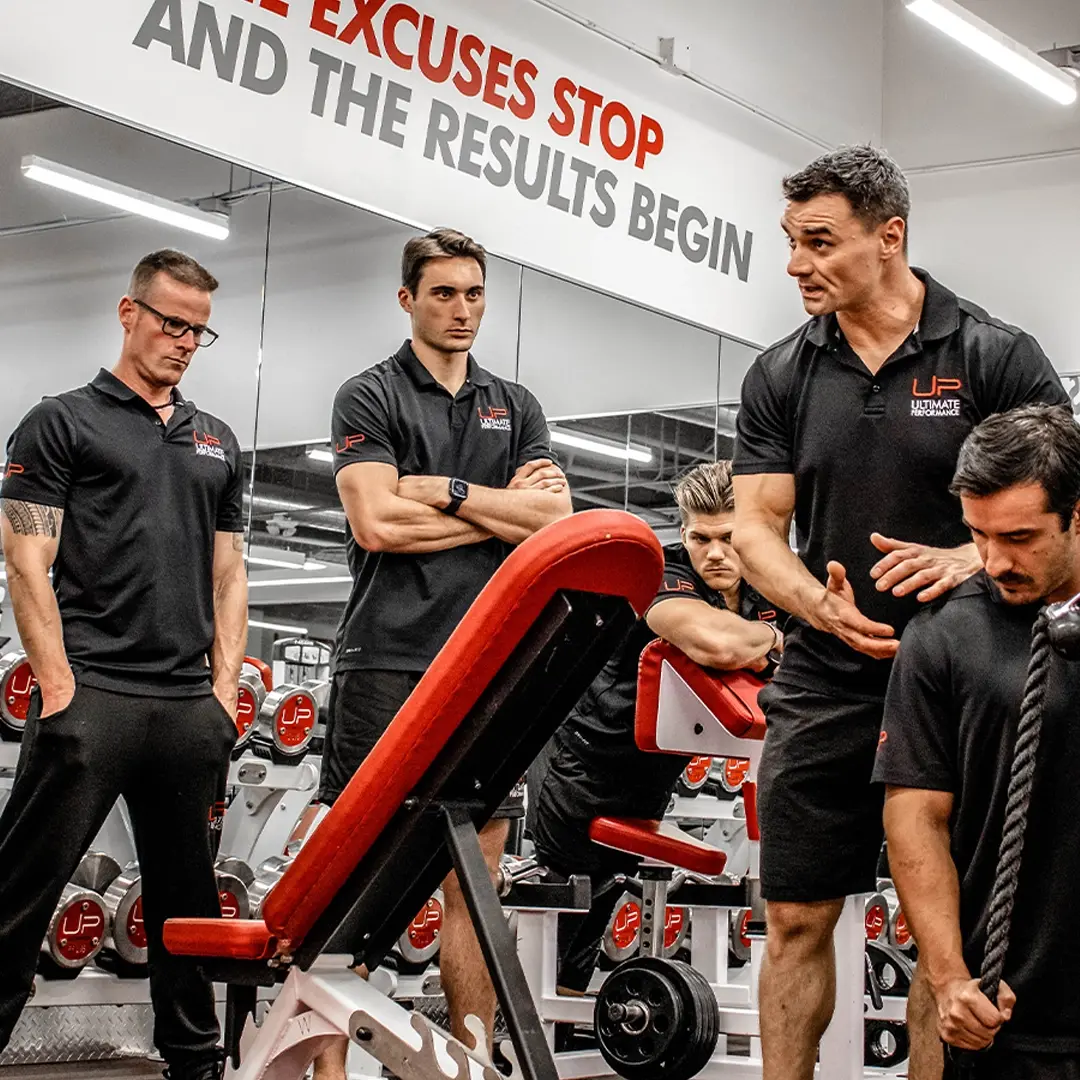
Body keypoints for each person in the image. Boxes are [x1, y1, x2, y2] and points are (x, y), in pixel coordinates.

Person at [730, 144, 1069, 1080]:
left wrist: (967, 557)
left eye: (819, 242)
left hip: (965, 676)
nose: (796, 263)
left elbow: (1062, 506)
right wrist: (813, 605)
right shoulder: (783, 374)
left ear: (891, 237)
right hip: (831, 670)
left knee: (941, 930)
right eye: (791, 242)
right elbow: (757, 526)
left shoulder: (994, 354)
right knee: (797, 915)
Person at [314, 227, 572, 1080]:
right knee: (354, 882)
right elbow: (376, 523)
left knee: (480, 883)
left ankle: (470, 1058)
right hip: (387, 663)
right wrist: (498, 508)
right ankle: (326, 1069)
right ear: (407, 300)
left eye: (474, 294)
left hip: (491, 669)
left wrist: (450, 489)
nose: (462, 310)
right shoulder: (371, 395)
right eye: (443, 294)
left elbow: (554, 524)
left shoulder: (515, 404)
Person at [0, 250, 247, 1080]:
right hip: (92, 698)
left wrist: (221, 694)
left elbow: (228, 573)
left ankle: (194, 1063)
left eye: (199, 330)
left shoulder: (218, 441)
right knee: (19, 894)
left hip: (186, 710)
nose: (183, 340)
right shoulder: (60, 422)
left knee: (189, 905)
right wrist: (61, 689)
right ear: (128, 311)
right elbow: (26, 563)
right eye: (171, 322)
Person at [876, 405, 1080, 1080]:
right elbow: (915, 816)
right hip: (1011, 1009)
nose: (994, 561)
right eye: (977, 535)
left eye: (1021, 537)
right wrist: (950, 978)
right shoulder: (943, 637)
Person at [531, 460, 787, 995]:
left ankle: (555, 1024)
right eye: (701, 538)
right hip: (583, 760)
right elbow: (713, 643)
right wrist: (772, 643)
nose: (715, 553)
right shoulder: (662, 572)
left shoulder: (769, 583)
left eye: (729, 538)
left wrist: (757, 641)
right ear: (684, 534)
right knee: (562, 911)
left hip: (653, 776)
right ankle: (515, 1031)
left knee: (599, 908)